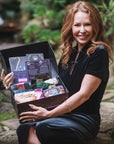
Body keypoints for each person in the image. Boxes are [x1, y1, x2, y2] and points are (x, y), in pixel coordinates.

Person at [1, 1, 112, 144]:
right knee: (24, 128)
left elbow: (84, 94)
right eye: (77, 25)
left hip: (83, 119)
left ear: (95, 26)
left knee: (44, 127)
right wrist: (15, 86)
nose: (82, 30)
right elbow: (50, 86)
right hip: (62, 115)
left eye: (87, 24)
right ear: (70, 27)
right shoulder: (68, 54)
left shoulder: (98, 52)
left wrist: (49, 114)